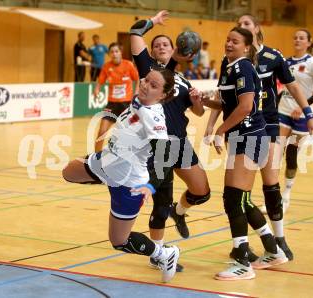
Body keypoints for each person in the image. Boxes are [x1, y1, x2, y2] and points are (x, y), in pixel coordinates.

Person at [62, 68, 180, 283]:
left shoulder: (153, 117)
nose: (145, 85)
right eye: (146, 80)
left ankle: (164, 254)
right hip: (105, 162)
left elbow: (164, 158)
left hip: (128, 183)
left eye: (154, 86)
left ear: (163, 95)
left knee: (119, 241)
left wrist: (150, 187)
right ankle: (105, 178)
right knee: (68, 172)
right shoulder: (138, 98)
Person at [202, 27, 288, 281]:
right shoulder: (230, 67)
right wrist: (206, 102)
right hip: (244, 138)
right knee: (241, 199)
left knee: (234, 199)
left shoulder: (243, 68)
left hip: (250, 138)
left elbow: (246, 107)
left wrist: (220, 130)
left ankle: (242, 263)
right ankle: (272, 250)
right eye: (227, 39)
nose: (228, 43)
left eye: (235, 41)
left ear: (247, 47)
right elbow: (229, 105)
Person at [129, 10, 211, 270]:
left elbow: (197, 112)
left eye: (165, 44)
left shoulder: (184, 80)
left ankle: (181, 211)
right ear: (152, 52)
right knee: (160, 204)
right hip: (157, 146)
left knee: (202, 192)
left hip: (181, 143)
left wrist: (198, 102)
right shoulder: (149, 70)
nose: (161, 46)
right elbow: (135, 31)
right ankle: (158, 255)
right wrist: (153, 22)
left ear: (174, 47)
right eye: (157, 45)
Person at [278, 29, 313, 212]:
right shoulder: (286, 62)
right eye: (295, 38)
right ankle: (273, 198)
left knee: (291, 156)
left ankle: (286, 196)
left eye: (301, 38)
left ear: (308, 42)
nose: (297, 40)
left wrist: (304, 106)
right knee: (275, 154)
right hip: (283, 111)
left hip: (303, 115)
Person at [93, 42, 140, 152]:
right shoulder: (106, 66)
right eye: (112, 52)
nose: (114, 54)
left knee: (131, 133)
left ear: (121, 53)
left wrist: (136, 93)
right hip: (112, 105)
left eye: (116, 51)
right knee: (101, 132)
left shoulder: (128, 65)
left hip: (127, 104)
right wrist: (96, 90)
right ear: (109, 54)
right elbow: (100, 81)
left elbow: (138, 79)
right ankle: (96, 157)